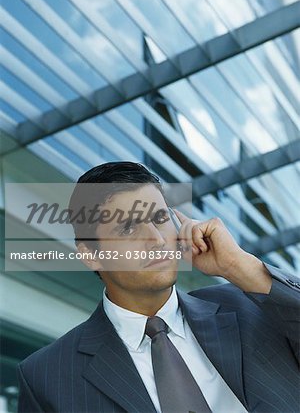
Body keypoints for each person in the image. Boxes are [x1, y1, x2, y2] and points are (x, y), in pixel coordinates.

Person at [17, 162, 300, 413]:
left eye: (160, 219)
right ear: (91, 255)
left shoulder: (252, 305)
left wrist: (240, 267)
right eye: (128, 228)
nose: (156, 240)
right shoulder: (46, 376)